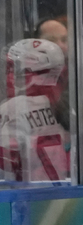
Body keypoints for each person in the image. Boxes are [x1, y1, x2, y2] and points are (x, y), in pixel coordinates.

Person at [0, 38, 69, 182]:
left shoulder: (13, 108)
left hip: (22, 194)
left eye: (14, 70)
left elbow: (8, 161)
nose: (9, 76)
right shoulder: (55, 106)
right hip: (55, 191)